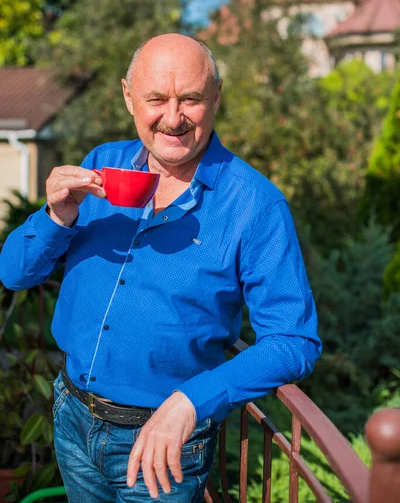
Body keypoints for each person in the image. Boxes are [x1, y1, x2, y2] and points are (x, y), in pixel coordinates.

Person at [0, 33, 322, 502]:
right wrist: (56, 217)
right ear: (129, 96)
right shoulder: (101, 165)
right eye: (156, 99)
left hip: (164, 445)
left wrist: (195, 400)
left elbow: (295, 341)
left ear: (215, 100)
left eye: (190, 99)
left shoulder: (256, 205)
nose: (172, 119)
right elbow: (14, 274)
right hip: (72, 415)